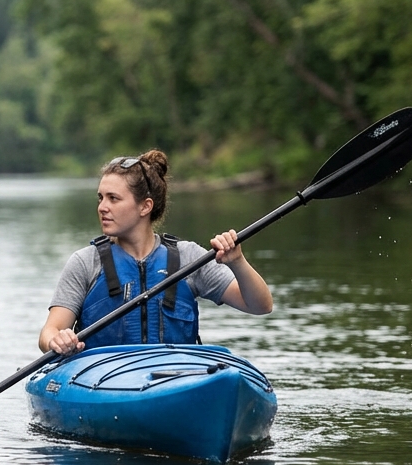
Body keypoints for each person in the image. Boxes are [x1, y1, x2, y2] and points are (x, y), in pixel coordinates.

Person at [39, 150, 273, 356]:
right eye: (101, 198)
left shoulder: (188, 257)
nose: (102, 207)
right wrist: (57, 340)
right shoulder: (85, 262)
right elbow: (49, 333)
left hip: (174, 377)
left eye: (113, 198)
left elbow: (260, 306)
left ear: (145, 206)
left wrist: (237, 262)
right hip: (102, 378)